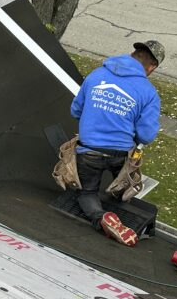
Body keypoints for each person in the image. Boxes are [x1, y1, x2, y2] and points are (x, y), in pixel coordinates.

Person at [69, 40, 164, 247]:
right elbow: (146, 136)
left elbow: (75, 110)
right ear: (152, 67)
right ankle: (121, 198)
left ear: (132, 54)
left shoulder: (96, 75)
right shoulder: (148, 93)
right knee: (124, 181)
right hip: (120, 154)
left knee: (87, 193)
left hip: (89, 151)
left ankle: (100, 217)